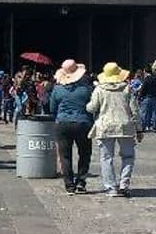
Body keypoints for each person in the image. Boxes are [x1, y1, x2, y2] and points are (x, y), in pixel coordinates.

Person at [87, 62, 142, 198]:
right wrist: (139, 129)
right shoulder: (127, 89)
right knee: (128, 156)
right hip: (125, 126)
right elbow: (135, 111)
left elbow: (92, 107)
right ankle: (124, 185)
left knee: (106, 158)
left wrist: (87, 106)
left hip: (105, 126)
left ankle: (111, 187)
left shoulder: (100, 89)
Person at [50, 59, 94, 195]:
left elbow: (52, 108)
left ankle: (69, 185)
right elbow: (92, 107)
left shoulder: (57, 89)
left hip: (63, 123)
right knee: (85, 153)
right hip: (83, 123)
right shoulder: (86, 89)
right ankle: (81, 182)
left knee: (65, 155)